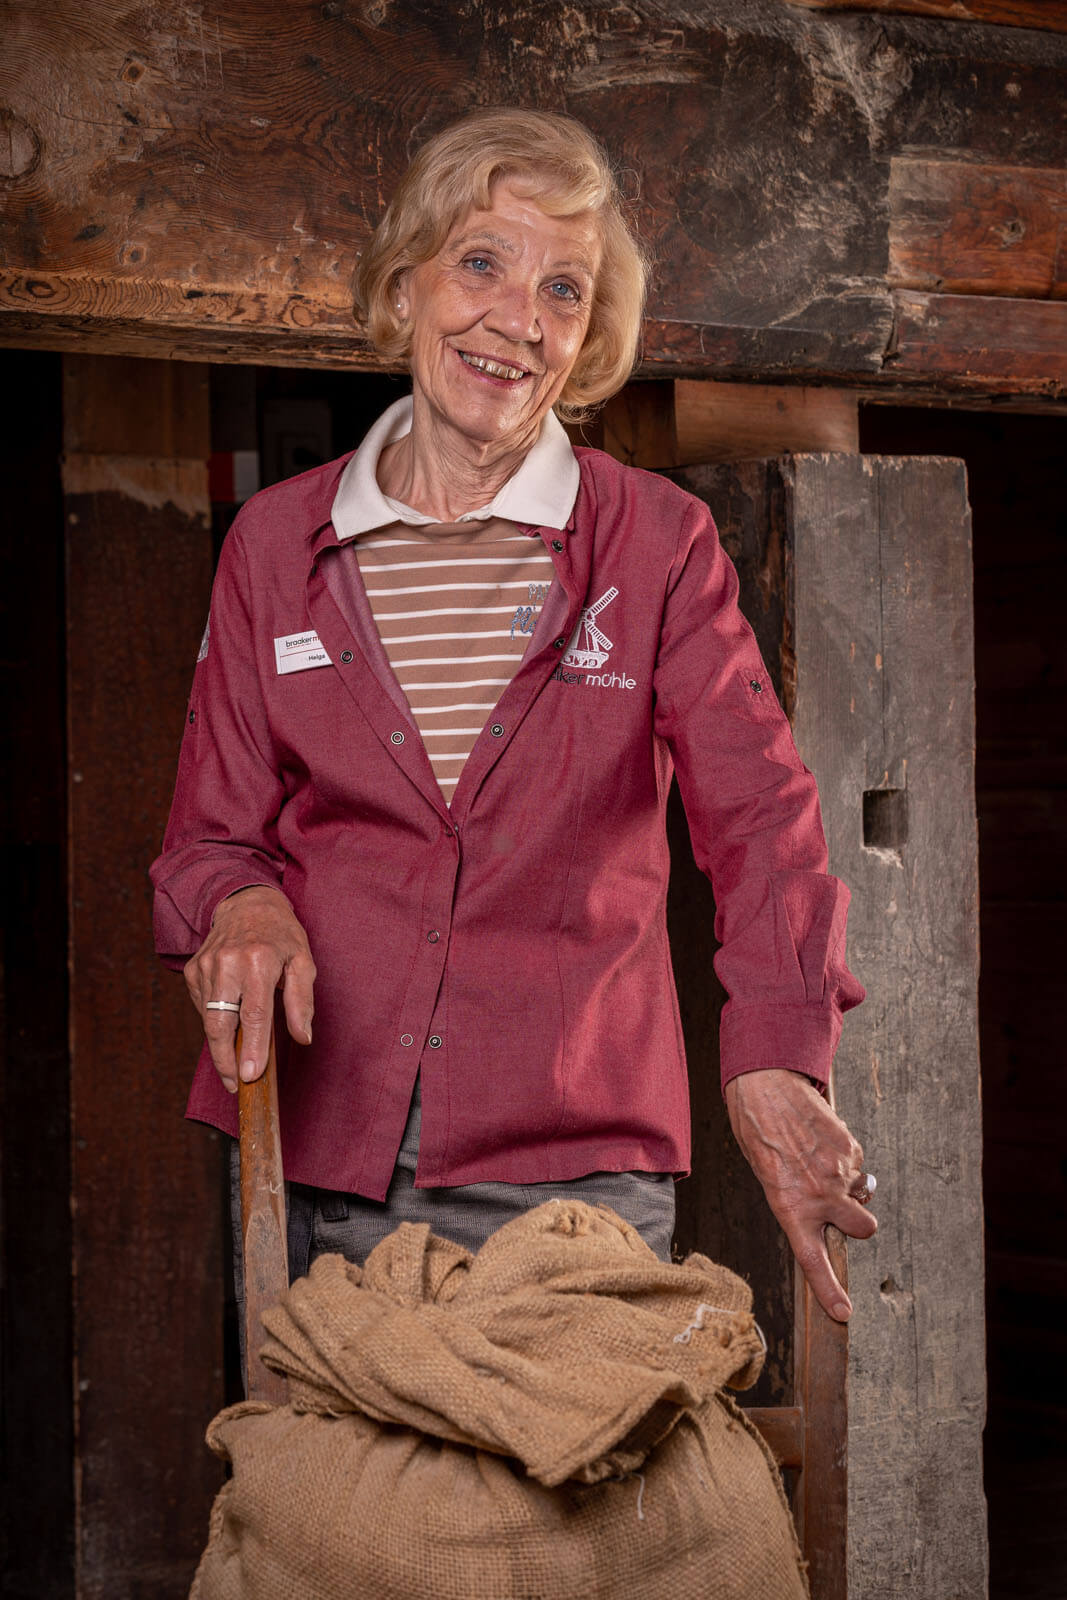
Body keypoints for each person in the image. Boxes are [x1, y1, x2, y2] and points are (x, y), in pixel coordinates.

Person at [152, 106, 876, 1325]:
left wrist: (772, 1052)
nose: (517, 320)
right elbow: (210, 836)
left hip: (581, 1171)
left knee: (565, 1510)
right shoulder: (275, 545)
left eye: (563, 289)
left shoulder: (651, 542)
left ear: (588, 338)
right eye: (480, 262)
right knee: (343, 1512)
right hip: (324, 1153)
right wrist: (244, 898)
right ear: (403, 286)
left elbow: (762, 817)